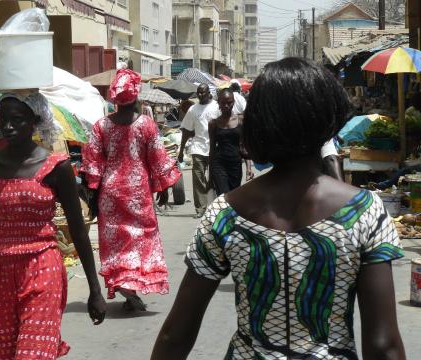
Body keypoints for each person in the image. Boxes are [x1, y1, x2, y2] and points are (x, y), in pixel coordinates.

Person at [152, 58, 405, 360]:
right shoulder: (364, 212)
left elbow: (175, 335)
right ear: (328, 118)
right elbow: (383, 345)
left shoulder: (225, 214)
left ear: (260, 124)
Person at [0, 92, 106, 359]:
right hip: (0, 274)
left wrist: (95, 290)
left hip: (43, 268)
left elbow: (78, 231)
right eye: (4, 119)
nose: (8, 126)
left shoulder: (57, 167)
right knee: (5, 354)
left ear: (35, 121)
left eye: (17, 120)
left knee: (33, 354)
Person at [81, 69, 180, 310]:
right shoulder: (146, 125)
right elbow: (158, 157)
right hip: (139, 193)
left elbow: (93, 163)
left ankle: (125, 285)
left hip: (111, 193)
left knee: (116, 242)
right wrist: (164, 186)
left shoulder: (101, 126)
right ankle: (132, 286)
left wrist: (92, 194)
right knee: (140, 240)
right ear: (135, 97)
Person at [178, 84, 220, 218]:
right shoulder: (192, 110)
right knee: (198, 178)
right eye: (198, 93)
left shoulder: (217, 107)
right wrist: (180, 151)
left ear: (209, 93)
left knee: (214, 179)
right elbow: (186, 131)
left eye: (203, 93)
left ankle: (215, 208)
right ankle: (200, 208)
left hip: (215, 148)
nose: (201, 95)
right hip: (198, 148)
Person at [209, 88, 253, 196]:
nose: (226, 106)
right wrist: (210, 176)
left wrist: (249, 168)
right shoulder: (213, 124)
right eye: (223, 103)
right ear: (218, 103)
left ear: (233, 102)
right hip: (219, 165)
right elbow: (212, 149)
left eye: (229, 103)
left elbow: (244, 146)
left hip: (235, 164)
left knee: (234, 196)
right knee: (224, 196)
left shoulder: (241, 121)